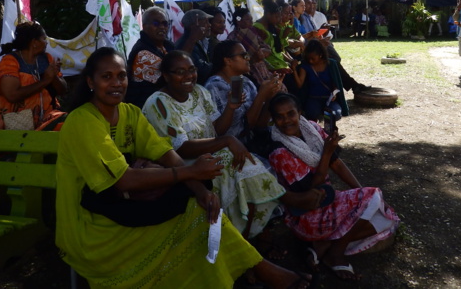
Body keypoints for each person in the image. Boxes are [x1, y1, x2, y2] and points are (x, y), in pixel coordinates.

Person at [55, 47, 314, 289]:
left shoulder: (129, 113)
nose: (116, 83)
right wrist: (191, 174)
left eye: (121, 76)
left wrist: (201, 190)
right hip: (90, 221)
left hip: (121, 205)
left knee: (200, 206)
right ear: (90, 82)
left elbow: (166, 153)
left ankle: (252, 264)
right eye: (106, 76)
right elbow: (124, 181)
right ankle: (258, 266)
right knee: (199, 207)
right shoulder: (83, 121)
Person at [142, 51, 286, 239]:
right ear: (166, 76)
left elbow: (218, 130)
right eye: (180, 72)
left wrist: (230, 108)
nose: (188, 76)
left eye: (191, 70)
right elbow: (180, 148)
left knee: (239, 164)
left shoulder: (200, 92)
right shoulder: (158, 103)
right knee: (232, 161)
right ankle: (276, 208)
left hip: (213, 154)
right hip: (183, 165)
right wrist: (226, 141)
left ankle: (249, 235)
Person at [267, 93, 400, 281]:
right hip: (308, 215)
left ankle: (323, 246)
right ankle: (336, 252)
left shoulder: (311, 128)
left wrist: (362, 195)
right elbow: (312, 190)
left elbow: (337, 164)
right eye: (279, 117)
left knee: (386, 219)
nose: (286, 120)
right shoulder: (279, 151)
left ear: (300, 113)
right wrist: (326, 154)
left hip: (328, 201)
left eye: (291, 114)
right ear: (273, 120)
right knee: (374, 198)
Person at [0, 22, 67, 130]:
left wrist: (54, 76)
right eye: (44, 39)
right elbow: (12, 95)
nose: (46, 43)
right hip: (14, 123)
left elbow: (62, 90)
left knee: (69, 122)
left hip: (46, 118)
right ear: (34, 42)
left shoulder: (47, 58)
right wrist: (45, 81)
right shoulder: (10, 61)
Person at [205, 40, 283, 145]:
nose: (248, 58)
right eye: (243, 56)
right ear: (228, 61)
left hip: (255, 143)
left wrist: (270, 95)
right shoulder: (214, 86)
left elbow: (259, 124)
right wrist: (261, 95)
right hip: (231, 149)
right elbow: (242, 130)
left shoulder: (246, 82)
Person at [125, 7, 175, 108]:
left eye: (165, 23)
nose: (162, 27)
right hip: (147, 109)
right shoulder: (142, 54)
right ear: (144, 26)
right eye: (156, 24)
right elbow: (173, 81)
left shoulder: (167, 45)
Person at [292, 39, 348, 123]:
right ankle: (316, 129)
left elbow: (336, 83)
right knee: (312, 113)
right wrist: (294, 70)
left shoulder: (331, 64)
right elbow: (300, 84)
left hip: (329, 99)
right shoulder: (305, 66)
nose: (310, 61)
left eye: (313, 58)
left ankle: (331, 130)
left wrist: (334, 93)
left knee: (336, 114)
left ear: (320, 55)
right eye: (308, 58)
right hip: (313, 99)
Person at [227, 7, 280, 88]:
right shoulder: (232, 37)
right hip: (248, 72)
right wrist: (254, 58)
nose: (251, 22)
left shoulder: (254, 32)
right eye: (248, 19)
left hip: (262, 69)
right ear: (239, 21)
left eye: (251, 19)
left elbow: (266, 47)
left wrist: (264, 51)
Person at [175, 9, 213, 85]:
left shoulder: (196, 42)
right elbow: (202, 71)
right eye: (206, 22)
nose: (209, 25)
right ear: (195, 25)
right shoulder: (186, 44)